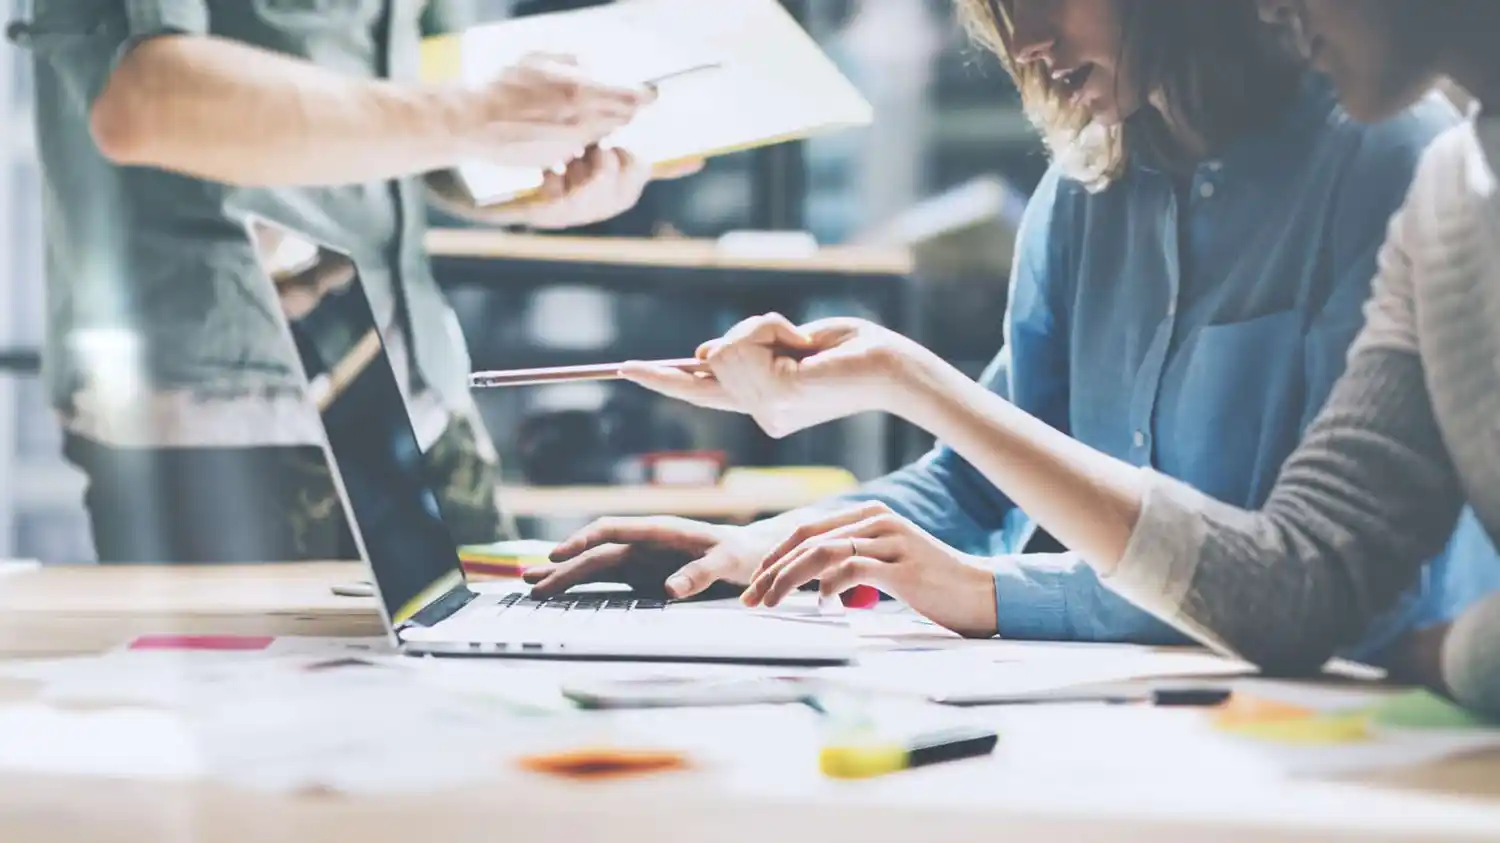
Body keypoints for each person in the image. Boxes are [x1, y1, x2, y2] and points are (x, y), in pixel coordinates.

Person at [577, 0, 1500, 717]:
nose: (1024, 43)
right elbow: (981, 486)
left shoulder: (1397, 161)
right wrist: (758, 549)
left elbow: (1331, 588)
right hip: (1177, 715)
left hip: (1357, 714)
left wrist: (989, 590)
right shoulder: (1088, 189)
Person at [8, 1, 697, 563]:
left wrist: (533, 185)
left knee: (494, 668)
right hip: (225, 407)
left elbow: (429, 115)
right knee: (258, 698)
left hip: (418, 385)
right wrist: (477, 116)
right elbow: (147, 101)